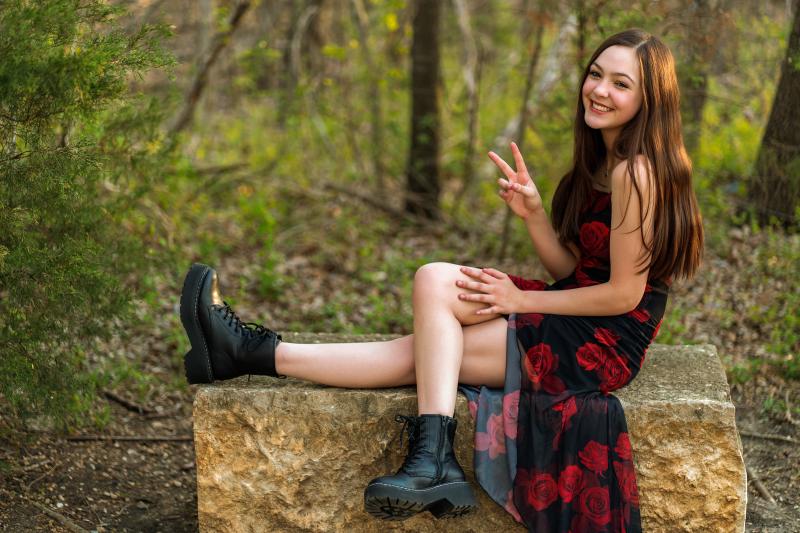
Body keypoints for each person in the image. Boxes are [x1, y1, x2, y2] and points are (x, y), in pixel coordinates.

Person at [179, 28, 703, 532]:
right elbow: (573, 272)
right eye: (596, 74)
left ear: (648, 100)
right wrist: (535, 214)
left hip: (604, 341)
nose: (600, 90)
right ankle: (427, 459)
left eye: (621, 83)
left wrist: (518, 297)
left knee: (425, 355)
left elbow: (624, 294)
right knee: (433, 280)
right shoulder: (605, 160)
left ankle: (256, 355)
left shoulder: (637, 172)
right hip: (578, 309)